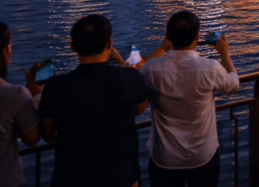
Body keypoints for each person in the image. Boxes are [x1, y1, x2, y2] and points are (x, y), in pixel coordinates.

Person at [38, 14, 150, 187]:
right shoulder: (130, 79)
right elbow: (139, 109)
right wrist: (122, 65)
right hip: (121, 179)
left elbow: (49, 136)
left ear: (73, 47)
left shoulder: (55, 87)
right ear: (110, 44)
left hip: (71, 179)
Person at [139, 11, 239, 187]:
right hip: (202, 155)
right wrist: (224, 54)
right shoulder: (210, 68)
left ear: (168, 36)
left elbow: (138, 74)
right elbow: (233, 85)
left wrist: (162, 48)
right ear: (198, 36)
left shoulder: (152, 69)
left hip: (164, 157)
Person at [1, 22, 42, 187]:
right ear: (6, 50)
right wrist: (34, 94)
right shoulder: (15, 95)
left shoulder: (17, 96)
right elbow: (32, 138)